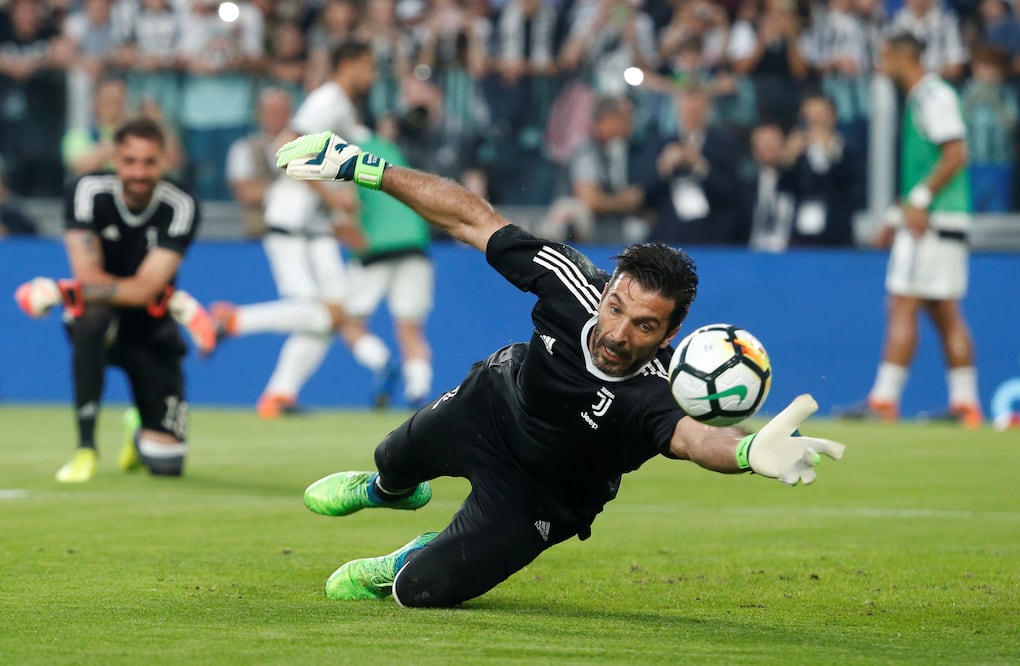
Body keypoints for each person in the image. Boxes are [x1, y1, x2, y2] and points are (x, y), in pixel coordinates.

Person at [273, 129, 847, 608]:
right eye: (616, 307)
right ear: (605, 291)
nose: (618, 334)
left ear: (670, 335)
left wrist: (747, 452)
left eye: (644, 326)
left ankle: (412, 553)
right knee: (391, 459)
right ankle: (387, 490)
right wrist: (364, 167)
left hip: (543, 497)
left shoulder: (662, 393)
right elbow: (472, 219)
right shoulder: (572, 283)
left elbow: (697, 440)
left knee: (415, 591)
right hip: (493, 408)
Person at [14, 117, 216, 483]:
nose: (139, 172)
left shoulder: (180, 204)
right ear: (114, 161)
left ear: (164, 162)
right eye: (130, 161)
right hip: (103, 320)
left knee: (167, 465)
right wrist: (170, 299)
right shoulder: (86, 191)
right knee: (91, 313)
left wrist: (60, 292)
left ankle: (138, 428)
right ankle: (85, 448)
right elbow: (90, 280)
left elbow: (145, 289)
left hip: (153, 329)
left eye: (149, 162)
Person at [212, 41, 395, 417]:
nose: (373, 75)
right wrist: (328, 196)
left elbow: (334, 168)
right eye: (369, 66)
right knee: (318, 315)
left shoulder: (343, 107)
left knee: (331, 315)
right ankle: (232, 320)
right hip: (290, 221)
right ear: (348, 64)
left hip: (314, 228)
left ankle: (279, 396)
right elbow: (289, 148)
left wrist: (340, 217)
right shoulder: (328, 100)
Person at [847, 33, 981, 426]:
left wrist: (920, 202)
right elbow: (926, 166)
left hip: (933, 220)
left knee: (902, 302)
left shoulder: (933, 96)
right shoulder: (924, 97)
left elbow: (956, 153)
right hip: (938, 218)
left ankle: (884, 401)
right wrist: (895, 216)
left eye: (883, 55)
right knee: (944, 312)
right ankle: (965, 405)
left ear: (896, 55)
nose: (880, 63)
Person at [339, 115, 435, 408]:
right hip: (415, 245)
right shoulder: (397, 154)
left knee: (351, 323)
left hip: (374, 248)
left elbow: (346, 204)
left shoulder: (347, 154)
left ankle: (381, 361)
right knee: (410, 329)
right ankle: (417, 392)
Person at [641, 86, 748, 246]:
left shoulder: (724, 144)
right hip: (670, 234)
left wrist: (700, 166)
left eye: (696, 106)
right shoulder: (662, 143)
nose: (690, 112)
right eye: (686, 105)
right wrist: (663, 169)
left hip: (712, 234)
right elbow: (646, 195)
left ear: (707, 108)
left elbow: (732, 192)